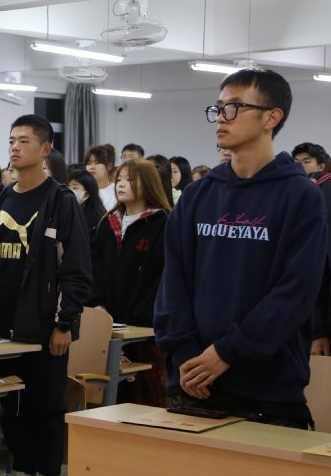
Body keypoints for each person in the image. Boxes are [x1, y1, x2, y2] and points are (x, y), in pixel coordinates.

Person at [155, 68, 327, 428]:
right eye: (218, 107)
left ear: (271, 117)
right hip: (193, 380)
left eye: (234, 107)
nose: (221, 117)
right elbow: (173, 281)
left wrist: (226, 352)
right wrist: (187, 353)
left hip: (266, 388)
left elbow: (295, 292)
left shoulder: (301, 196)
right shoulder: (197, 196)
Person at [0, 115, 91, 476]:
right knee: (13, 405)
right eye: (11, 140)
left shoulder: (60, 200)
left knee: (46, 404)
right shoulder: (0, 198)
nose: (14, 147)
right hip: (2, 326)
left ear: (45, 149)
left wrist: (65, 323)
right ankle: (23, 475)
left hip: (44, 325)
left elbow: (75, 269)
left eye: (24, 141)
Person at [89, 159, 171, 407]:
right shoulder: (108, 222)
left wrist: (141, 315)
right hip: (107, 326)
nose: (121, 184)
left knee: (144, 396)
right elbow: (95, 268)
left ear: (149, 184)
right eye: (120, 179)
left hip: (145, 330)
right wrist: (98, 305)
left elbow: (163, 277)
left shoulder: (162, 223)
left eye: (130, 180)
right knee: (107, 396)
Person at [67, 169, 106, 237]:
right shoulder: (68, 211)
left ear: (87, 194)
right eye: (68, 187)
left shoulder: (98, 219)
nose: (69, 191)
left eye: (75, 188)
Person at [85, 143, 117, 211]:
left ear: (109, 166)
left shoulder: (116, 191)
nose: (91, 167)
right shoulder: (84, 191)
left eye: (97, 163)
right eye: (88, 163)